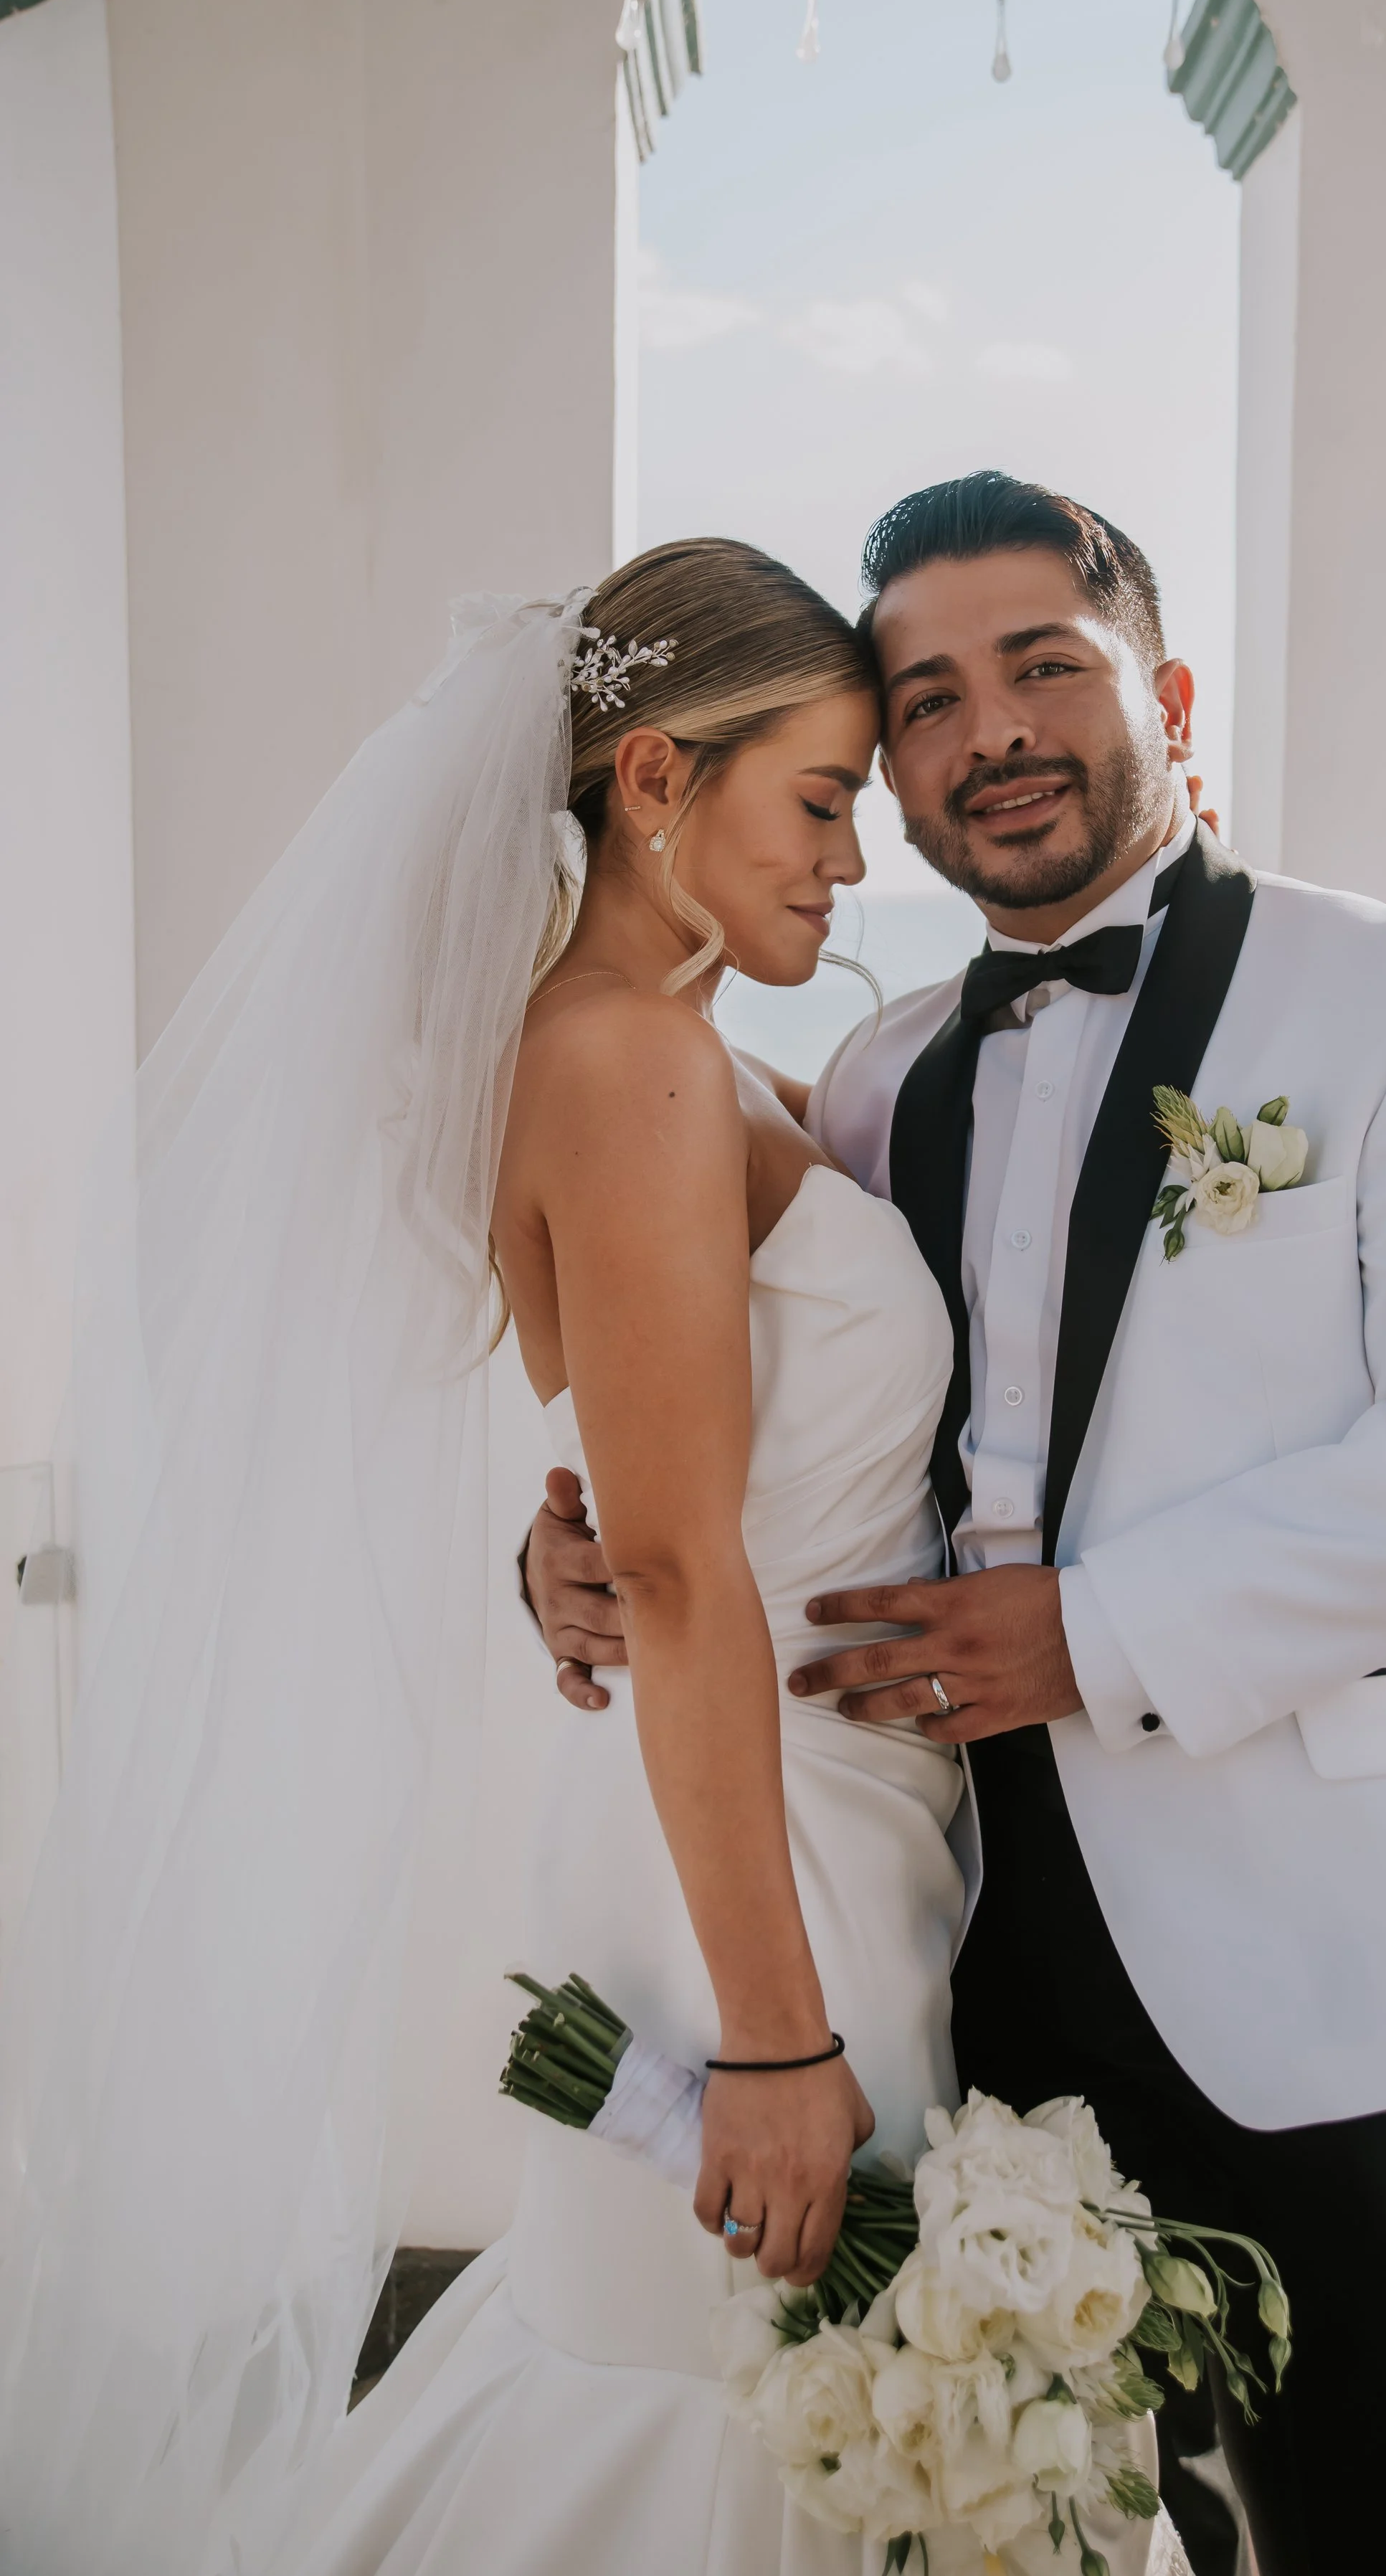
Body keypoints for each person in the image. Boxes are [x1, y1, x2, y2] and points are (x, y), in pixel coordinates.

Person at [0, 536, 1176, 2576]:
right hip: (757, 1859)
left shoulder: (651, 1047)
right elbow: (686, 1572)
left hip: (785, 1803)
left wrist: (571, 1559)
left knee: (761, 2384)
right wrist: (775, 2039)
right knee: (725, 2394)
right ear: (652, 782)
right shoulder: (627, 1060)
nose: (853, 855)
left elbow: (654, 1497)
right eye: (817, 800)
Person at [526, 474, 1386, 2576]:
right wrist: (568, 1547)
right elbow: (755, 1411)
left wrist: (1095, 1634)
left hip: (1319, 1925)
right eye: (926, 700)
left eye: (1044, 665)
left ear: (1168, 698)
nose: (990, 730)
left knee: (1355, 2523)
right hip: (963, 1922)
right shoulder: (871, 1077)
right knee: (1054, 2504)